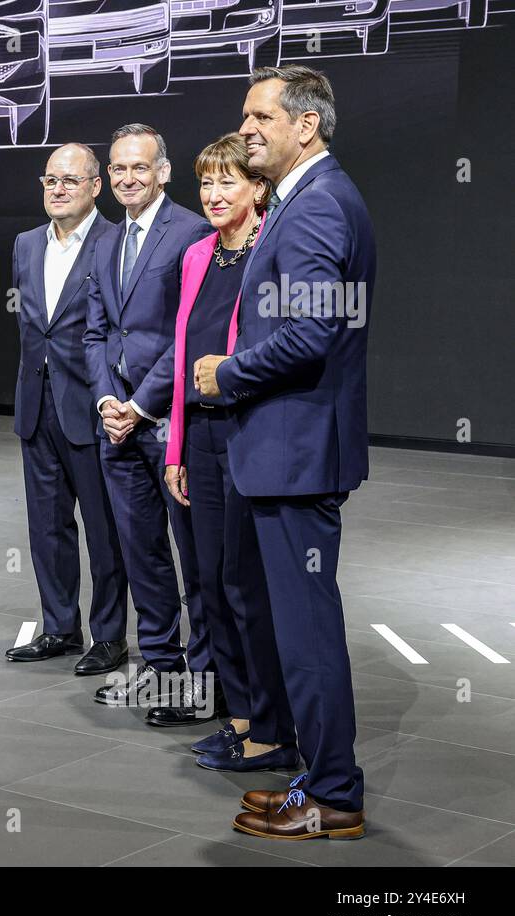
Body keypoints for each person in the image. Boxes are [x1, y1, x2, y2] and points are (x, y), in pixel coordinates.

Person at [194, 65, 375, 840]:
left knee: (306, 635)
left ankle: (333, 797)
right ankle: (320, 778)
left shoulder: (314, 208)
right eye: (245, 116)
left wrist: (225, 374)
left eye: (261, 117)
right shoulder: (312, 200)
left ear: (306, 125)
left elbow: (309, 336)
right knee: (304, 630)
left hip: (294, 452)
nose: (247, 130)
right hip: (293, 450)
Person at [160, 133, 298, 773]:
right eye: (206, 184)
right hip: (203, 438)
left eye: (228, 183)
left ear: (258, 189)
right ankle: (240, 719)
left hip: (252, 434)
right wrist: (177, 448)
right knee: (211, 583)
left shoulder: (273, 249)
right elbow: (186, 355)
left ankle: (271, 731)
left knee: (248, 586)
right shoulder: (195, 258)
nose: (213, 195)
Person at [81, 124, 217, 724]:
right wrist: (110, 401)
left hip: (169, 428)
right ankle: (162, 671)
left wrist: (140, 405)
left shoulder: (191, 233)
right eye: (117, 170)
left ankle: (208, 684)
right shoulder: (107, 240)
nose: (127, 178)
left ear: (163, 171)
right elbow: (95, 332)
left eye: (139, 168)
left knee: (196, 560)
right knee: (143, 557)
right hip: (119, 428)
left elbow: (189, 337)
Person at [4, 144, 128, 670]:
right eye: (50, 180)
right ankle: (59, 628)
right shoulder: (26, 244)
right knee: (47, 526)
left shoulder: (115, 242)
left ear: (96, 186)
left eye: (70, 180)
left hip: (94, 406)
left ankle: (109, 636)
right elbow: (33, 328)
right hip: (37, 405)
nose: (57, 189)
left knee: (104, 530)